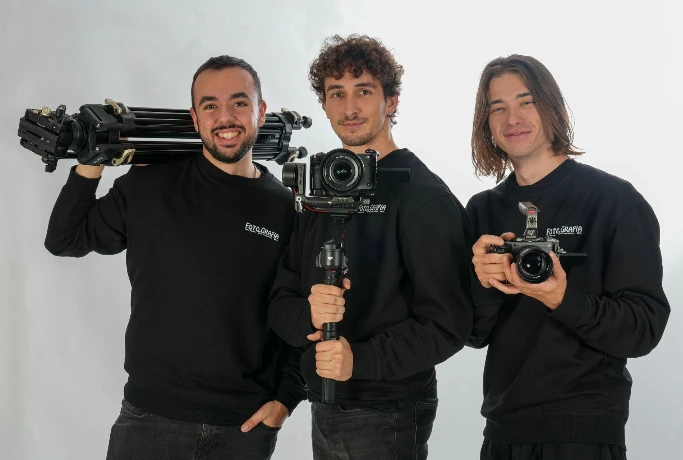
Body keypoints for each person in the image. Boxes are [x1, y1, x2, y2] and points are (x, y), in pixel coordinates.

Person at [44, 55, 306, 460]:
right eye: (210, 105)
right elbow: (65, 239)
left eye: (239, 102)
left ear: (261, 111)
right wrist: (92, 160)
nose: (225, 117)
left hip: (244, 428)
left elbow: (299, 313)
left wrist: (286, 399)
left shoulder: (285, 209)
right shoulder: (150, 185)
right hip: (150, 421)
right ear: (195, 118)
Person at [268, 34, 474, 460]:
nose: (349, 108)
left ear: (391, 101)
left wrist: (359, 361)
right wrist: (309, 314)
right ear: (324, 105)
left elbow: (448, 324)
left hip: (387, 410)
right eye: (336, 93)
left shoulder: (423, 196)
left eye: (363, 91)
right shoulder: (321, 190)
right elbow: (281, 297)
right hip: (323, 404)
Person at [466, 54, 670, 460]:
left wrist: (561, 299)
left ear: (552, 108)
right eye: (497, 108)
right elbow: (472, 334)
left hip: (585, 432)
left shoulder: (615, 201)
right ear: (486, 124)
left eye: (526, 101)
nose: (512, 118)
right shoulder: (481, 210)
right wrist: (485, 284)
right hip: (502, 432)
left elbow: (643, 328)